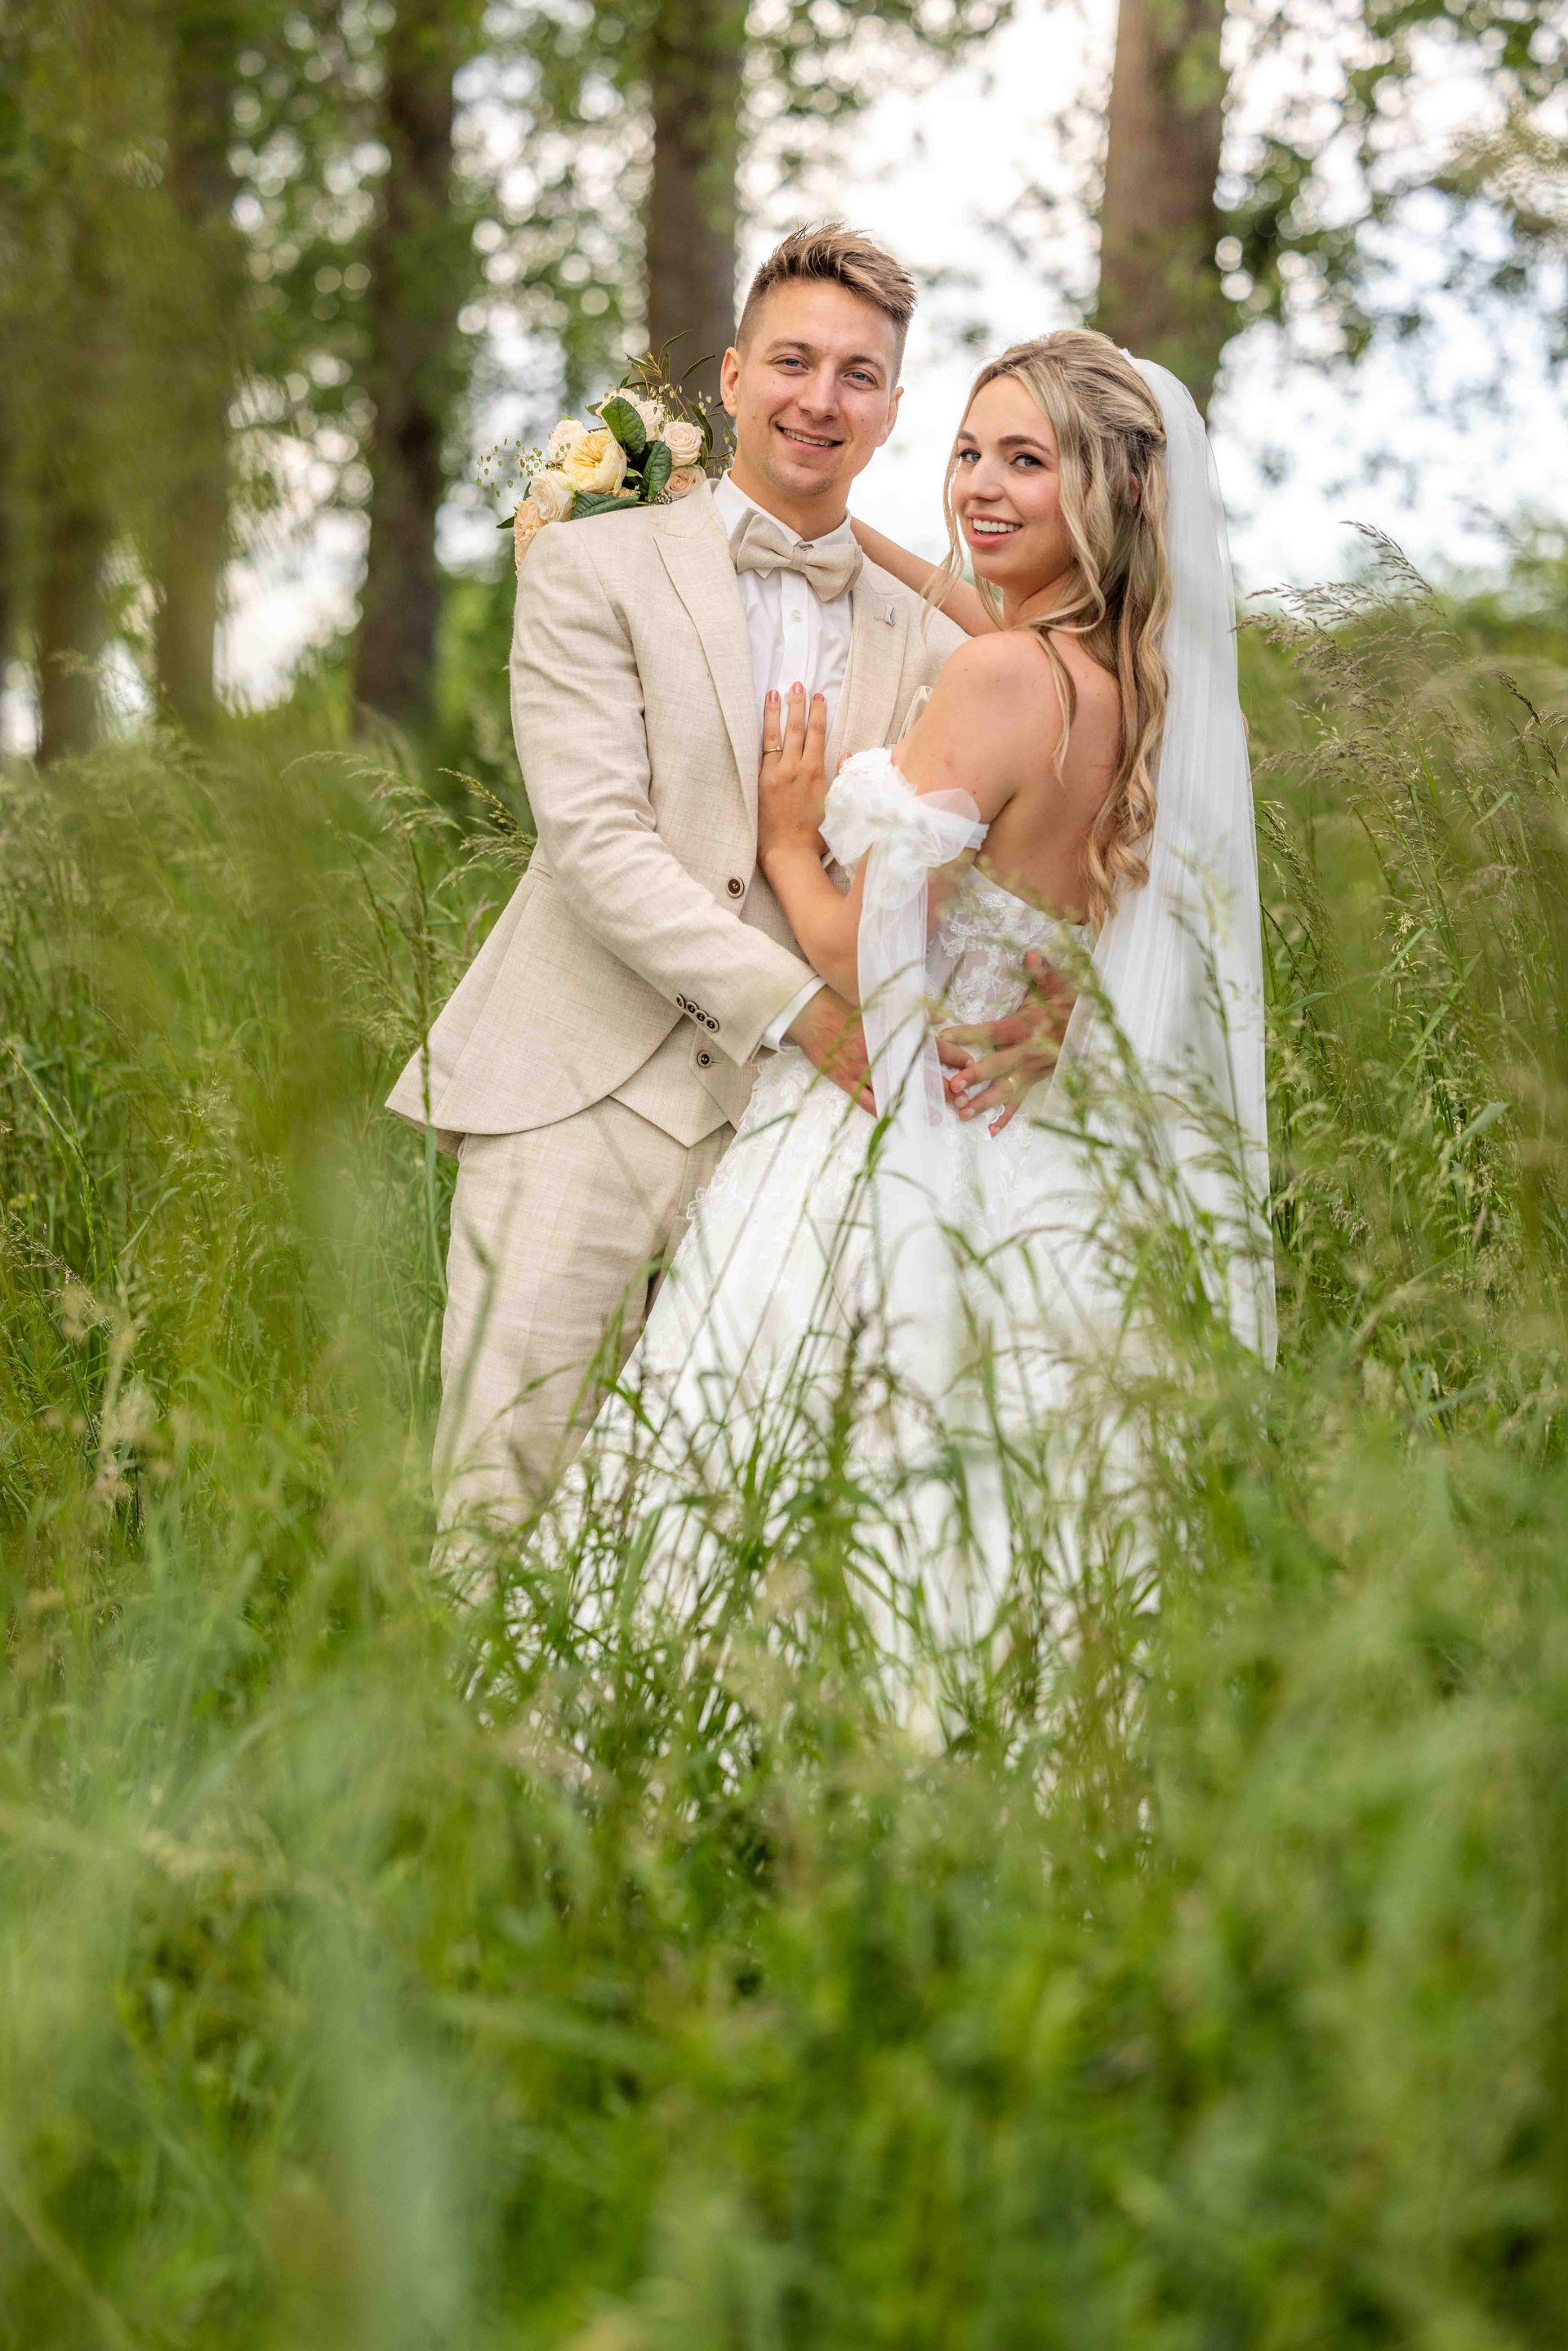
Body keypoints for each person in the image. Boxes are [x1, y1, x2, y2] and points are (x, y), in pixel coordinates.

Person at [535, 330, 1276, 1654]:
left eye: (1028, 462)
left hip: (885, 1125)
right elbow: (989, 623)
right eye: (971, 451)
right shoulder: (1126, 690)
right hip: (1027, 1157)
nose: (982, 487)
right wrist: (832, 529)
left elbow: (861, 963)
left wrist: (783, 831)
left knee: (760, 1449)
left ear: (1112, 491)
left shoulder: (994, 676)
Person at [388, 225, 1069, 1535]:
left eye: (859, 376)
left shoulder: (940, 634)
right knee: (496, 1501)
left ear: (891, 414)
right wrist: (810, 1010)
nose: (823, 399)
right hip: (576, 1097)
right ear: (736, 375)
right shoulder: (591, 563)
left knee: (706, 1527)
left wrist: (1057, 996)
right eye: (797, 363)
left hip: (796, 1150)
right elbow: (597, 845)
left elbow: (1052, 832)